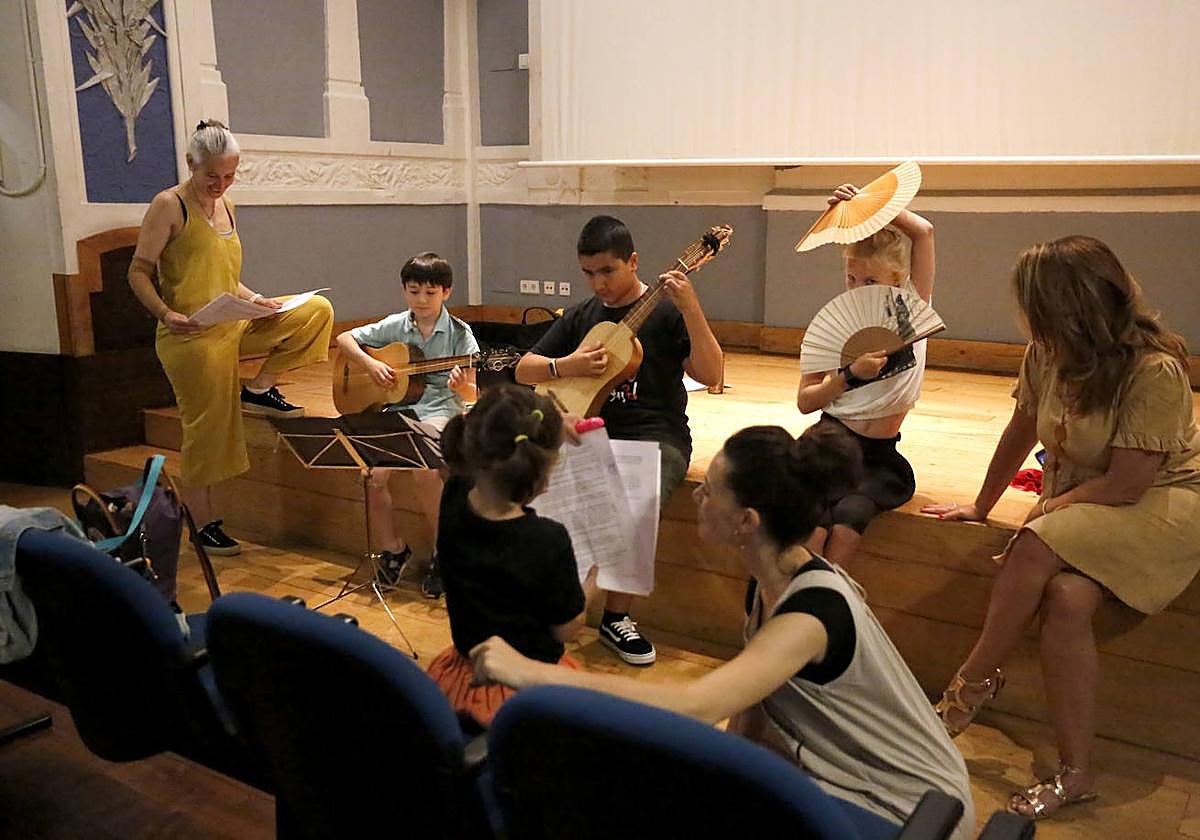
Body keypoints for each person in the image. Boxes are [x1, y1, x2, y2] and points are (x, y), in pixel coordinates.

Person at [471, 422, 975, 838]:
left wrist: (532, 673)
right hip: (853, 785)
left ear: (746, 521)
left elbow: (699, 705)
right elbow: (752, 713)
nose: (698, 497)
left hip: (909, 809)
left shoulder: (813, 614)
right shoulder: (771, 583)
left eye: (709, 491)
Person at [921, 235, 1200, 819]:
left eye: (1035, 306)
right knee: (1068, 600)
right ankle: (1077, 773)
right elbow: (1021, 429)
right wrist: (980, 503)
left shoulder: (1156, 369)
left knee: (1034, 542)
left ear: (1072, 306)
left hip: (1166, 499)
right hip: (1092, 496)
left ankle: (968, 687)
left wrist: (1050, 509)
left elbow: (1129, 483)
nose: (1028, 319)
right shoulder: (1046, 354)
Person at [514, 215, 723, 666]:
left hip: (654, 434)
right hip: (586, 430)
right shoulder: (582, 317)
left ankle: (613, 617)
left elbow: (712, 374)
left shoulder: (666, 311)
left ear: (633, 261)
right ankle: (535, 598)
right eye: (588, 273)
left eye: (607, 271)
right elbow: (523, 369)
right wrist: (564, 366)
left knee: (634, 505)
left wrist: (691, 307)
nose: (598, 284)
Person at [128, 120, 333, 556]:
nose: (221, 184)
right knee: (206, 430)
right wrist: (167, 313)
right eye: (212, 176)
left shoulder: (229, 206)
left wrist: (256, 298)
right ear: (190, 165)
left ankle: (259, 389)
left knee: (316, 311)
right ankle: (201, 523)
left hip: (232, 323)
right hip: (192, 337)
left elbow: (225, 278)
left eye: (229, 176)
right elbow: (138, 272)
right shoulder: (169, 205)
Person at [427, 384, 593, 729]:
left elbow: (495, 429)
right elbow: (566, 630)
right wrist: (597, 581)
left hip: (462, 672)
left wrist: (547, 426)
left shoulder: (454, 493)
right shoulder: (547, 539)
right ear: (541, 480)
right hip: (525, 688)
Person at [796, 184, 936, 568]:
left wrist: (867, 208)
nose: (858, 289)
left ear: (896, 280)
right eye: (851, 279)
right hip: (829, 442)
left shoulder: (912, 313)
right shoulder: (832, 327)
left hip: (878, 457)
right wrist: (847, 377)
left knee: (848, 521)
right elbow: (806, 402)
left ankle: (828, 608)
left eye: (871, 282)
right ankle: (791, 609)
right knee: (813, 526)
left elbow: (922, 232)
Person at [333, 253, 478, 596]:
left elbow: (473, 391)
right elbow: (344, 340)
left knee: (425, 469)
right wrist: (371, 365)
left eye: (430, 293)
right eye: (414, 292)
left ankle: (445, 555)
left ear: (446, 292)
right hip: (397, 409)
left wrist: (462, 386)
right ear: (404, 291)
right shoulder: (397, 325)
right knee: (371, 475)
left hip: (441, 409)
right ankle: (394, 548)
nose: (421, 300)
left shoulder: (460, 334)